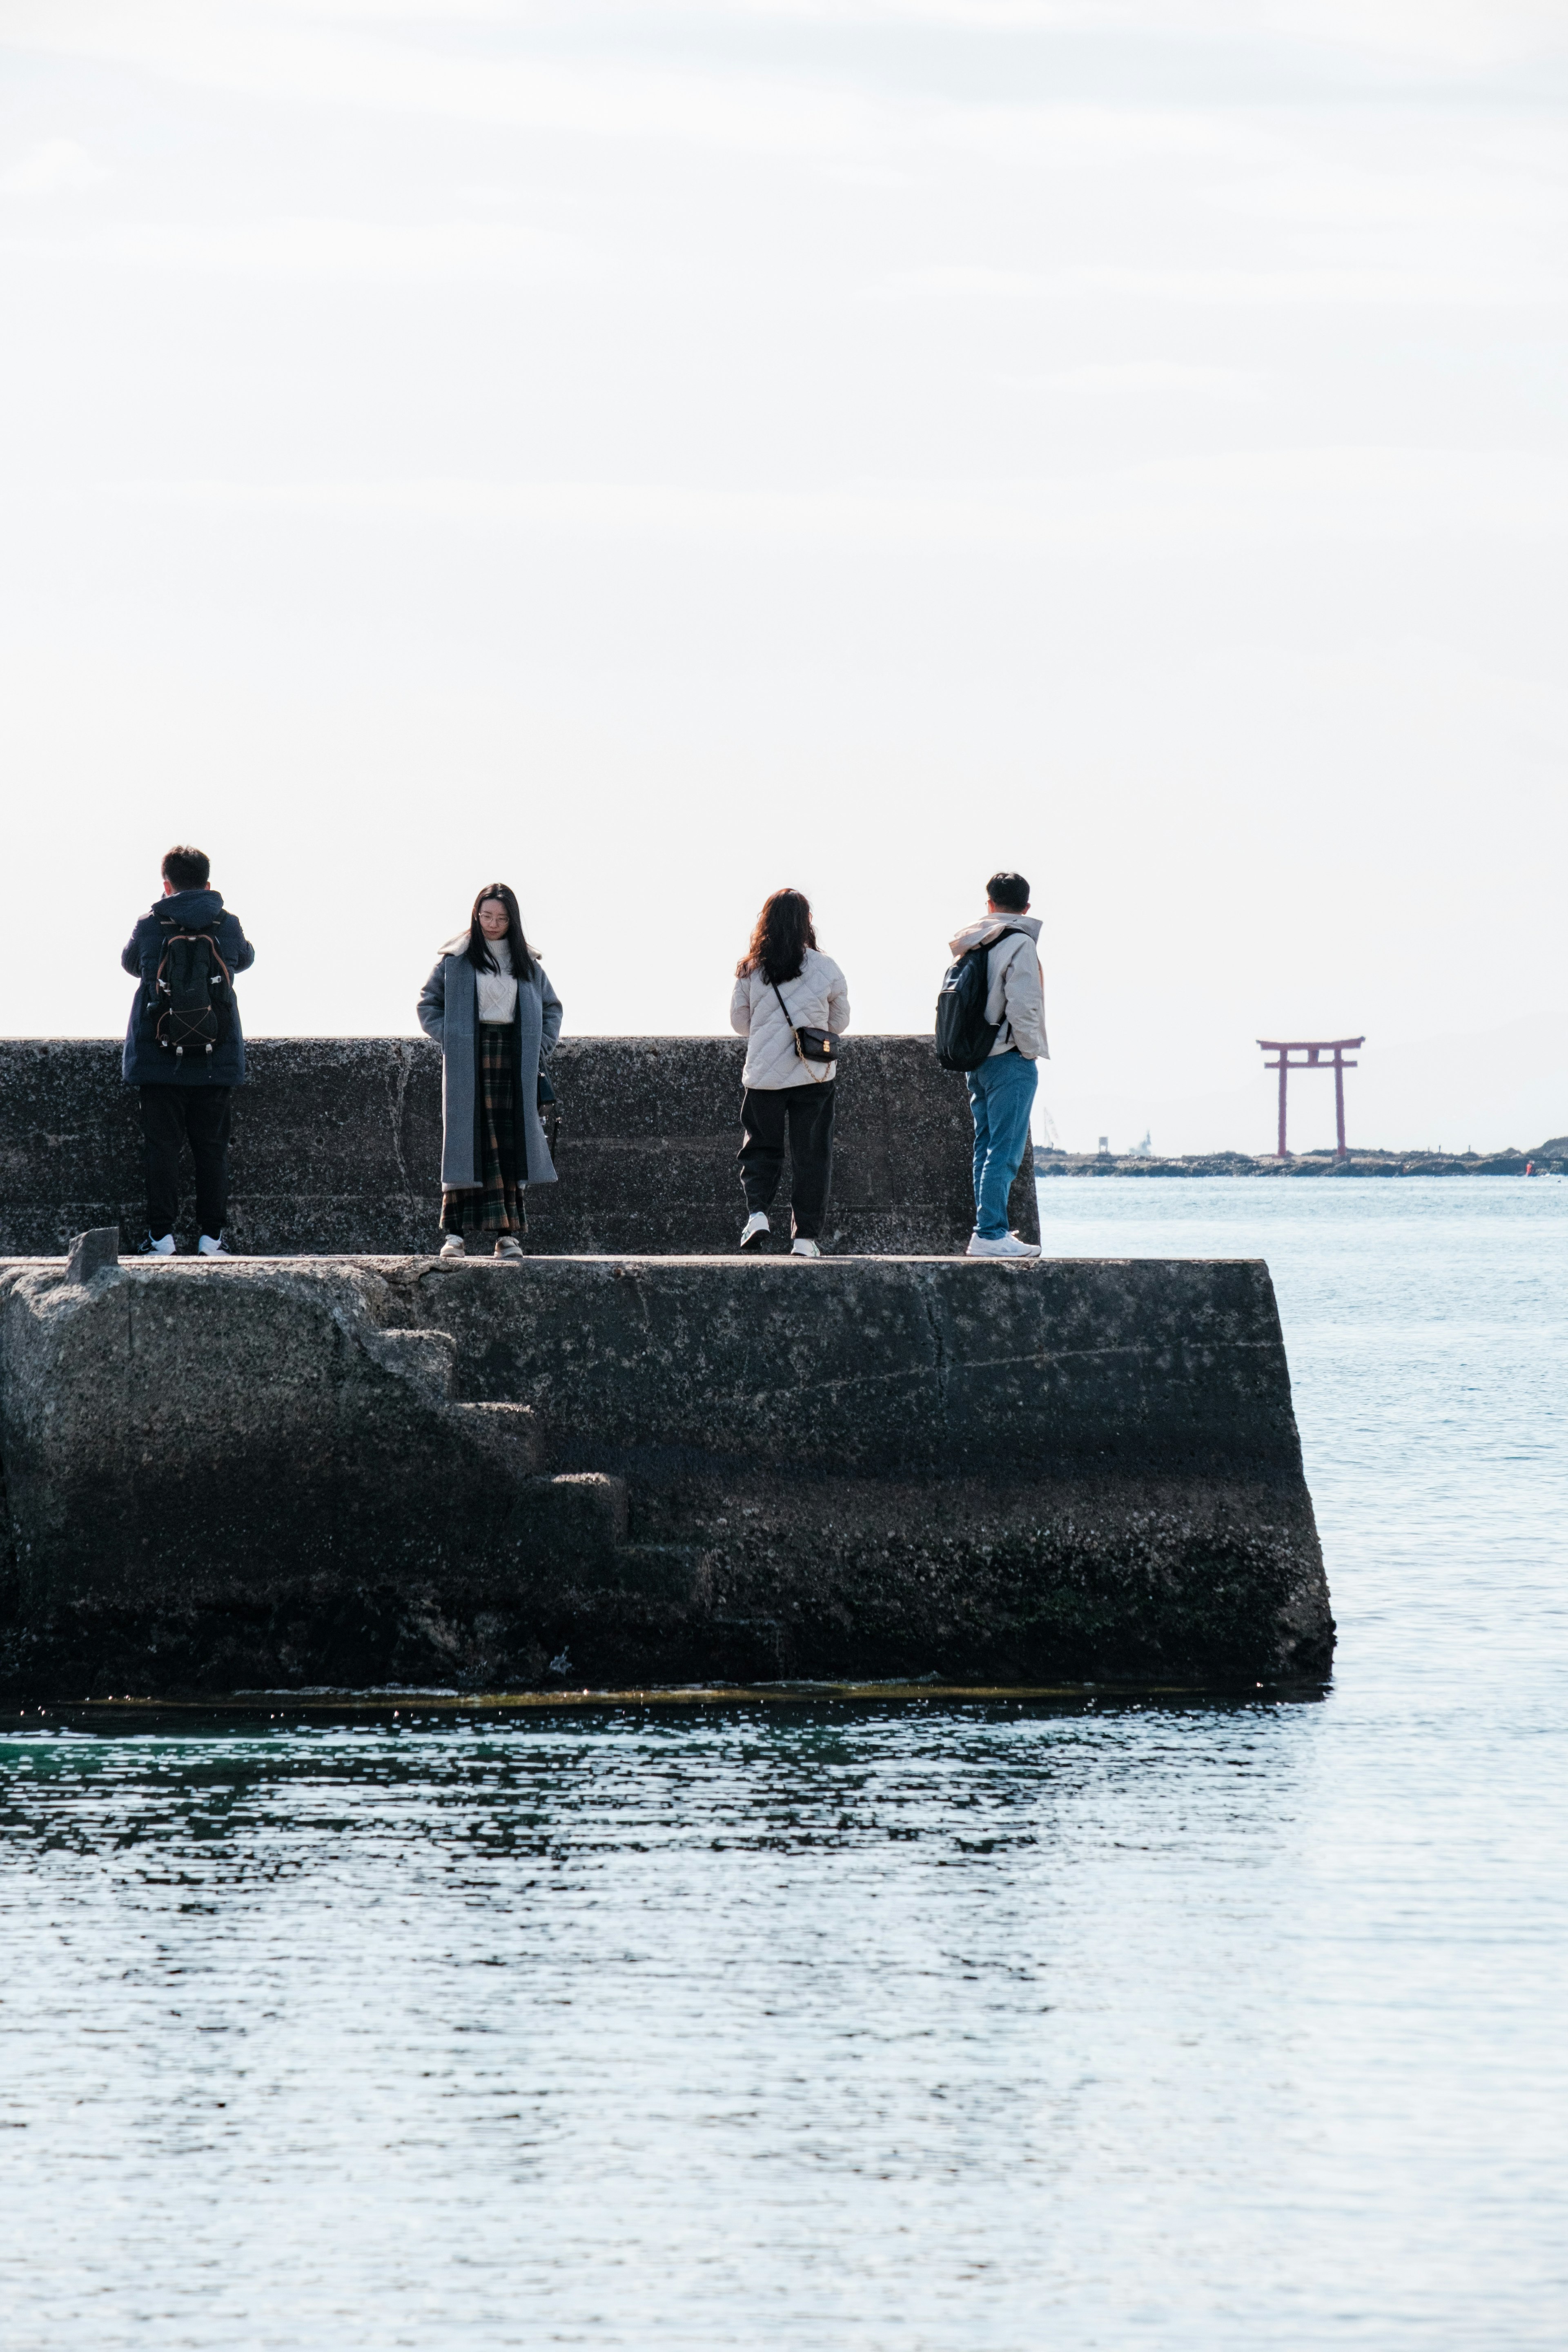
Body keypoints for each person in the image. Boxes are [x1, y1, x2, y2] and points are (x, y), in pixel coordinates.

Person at [121, 845, 256, 1257]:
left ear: (167, 884)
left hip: (159, 1060)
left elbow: (130, 963)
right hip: (216, 1058)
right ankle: (211, 1239)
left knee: (161, 1150)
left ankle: (161, 1238)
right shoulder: (227, 924)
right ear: (208, 882)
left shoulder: (149, 924)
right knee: (211, 1151)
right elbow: (246, 959)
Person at [417, 884, 561, 1259]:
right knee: (467, 1143)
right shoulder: (456, 959)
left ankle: (507, 1236)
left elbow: (552, 1009)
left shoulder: (528, 964)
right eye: (487, 917)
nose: (493, 924)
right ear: (476, 916)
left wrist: (539, 1046)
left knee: (509, 1143)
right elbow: (427, 1005)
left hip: (514, 1059)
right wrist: (452, 1037)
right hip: (469, 1058)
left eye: (501, 918)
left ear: (512, 920)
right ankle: (455, 1237)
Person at [729, 887, 850, 1257]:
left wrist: (770, 1033)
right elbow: (840, 1023)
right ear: (807, 922)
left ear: (765, 922)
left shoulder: (750, 969)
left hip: (765, 1076)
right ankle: (804, 1240)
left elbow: (740, 1024)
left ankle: (758, 1215)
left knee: (761, 1149)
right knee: (811, 1156)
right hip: (813, 1074)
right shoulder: (826, 967)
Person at [949, 870, 1047, 1259]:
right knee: (1005, 1151)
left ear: (989, 904)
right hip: (1009, 1056)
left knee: (986, 1147)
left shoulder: (974, 943)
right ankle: (991, 1234)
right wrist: (1029, 1050)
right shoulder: (1019, 943)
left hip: (978, 1057)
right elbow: (1024, 1005)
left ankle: (988, 1230)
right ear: (1026, 908)